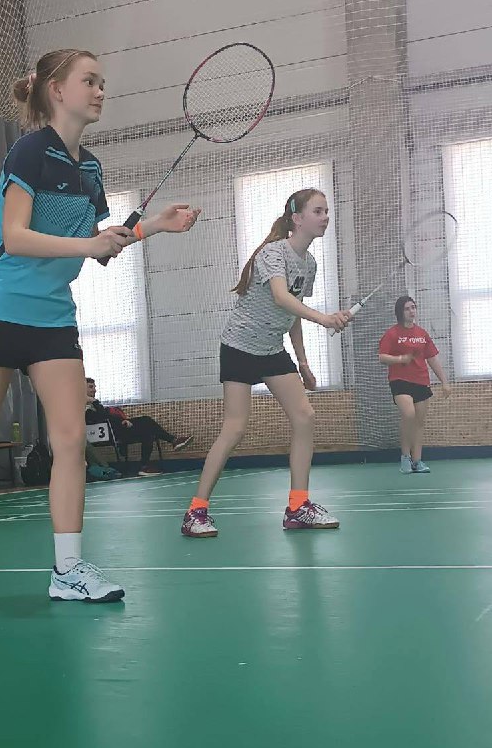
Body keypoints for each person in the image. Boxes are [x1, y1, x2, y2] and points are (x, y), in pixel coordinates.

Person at [0, 47, 200, 608]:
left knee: (71, 439)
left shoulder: (91, 168)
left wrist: (151, 226)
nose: (100, 91)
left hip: (53, 317)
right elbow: (15, 237)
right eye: (90, 81)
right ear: (57, 90)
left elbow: (97, 246)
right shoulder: (31, 150)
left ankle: (68, 569)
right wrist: (89, 244)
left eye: (102, 82)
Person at [181, 189, 351, 538]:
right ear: (297, 218)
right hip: (240, 346)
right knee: (235, 428)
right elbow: (280, 296)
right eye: (318, 211)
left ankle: (298, 507)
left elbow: (293, 313)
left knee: (304, 416)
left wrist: (303, 362)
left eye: (327, 211)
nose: (325, 217)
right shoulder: (273, 253)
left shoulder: (309, 263)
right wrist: (324, 318)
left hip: (272, 349)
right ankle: (196, 512)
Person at [378, 295, 451, 474]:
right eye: (407, 308)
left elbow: (432, 358)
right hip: (400, 381)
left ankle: (417, 461)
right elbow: (382, 357)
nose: (411, 311)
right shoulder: (392, 334)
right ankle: (405, 457)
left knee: (419, 422)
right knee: (409, 414)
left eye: (413, 307)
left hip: (421, 380)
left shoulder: (422, 334)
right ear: (400, 312)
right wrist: (400, 359)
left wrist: (444, 382)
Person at [85, 377, 193, 476]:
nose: (94, 390)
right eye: (91, 387)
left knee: (148, 433)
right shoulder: (82, 405)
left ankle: (144, 467)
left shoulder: (92, 404)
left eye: (94, 387)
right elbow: (101, 417)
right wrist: (94, 401)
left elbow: (106, 415)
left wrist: (122, 420)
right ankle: (173, 441)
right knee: (146, 421)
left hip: (117, 429)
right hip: (109, 433)